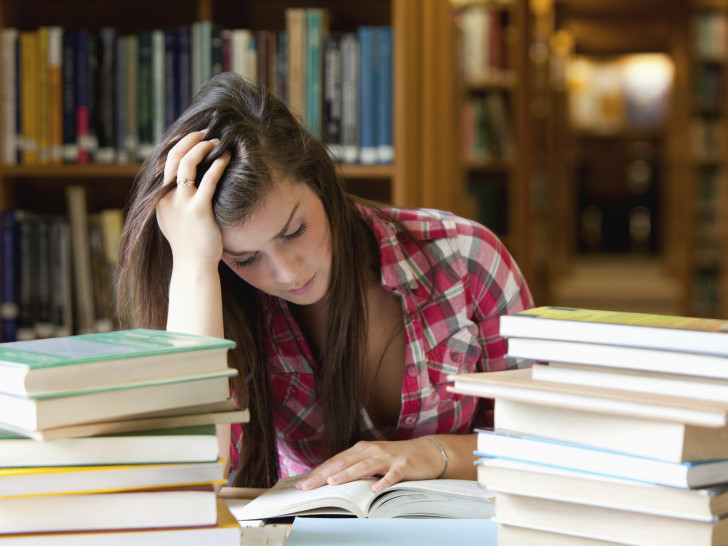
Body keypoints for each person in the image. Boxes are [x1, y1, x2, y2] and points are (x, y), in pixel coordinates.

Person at [117, 72, 534, 491]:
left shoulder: (466, 259)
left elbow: (548, 445)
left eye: (295, 230)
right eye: (246, 259)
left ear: (321, 182)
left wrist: (434, 454)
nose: (287, 272)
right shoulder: (223, 301)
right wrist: (192, 264)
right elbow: (194, 477)